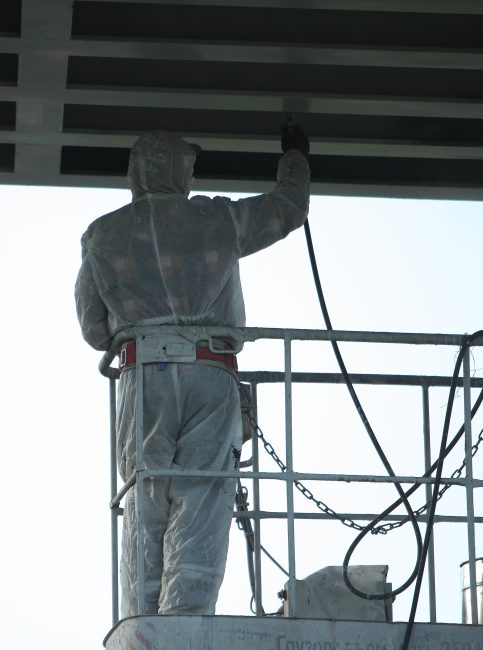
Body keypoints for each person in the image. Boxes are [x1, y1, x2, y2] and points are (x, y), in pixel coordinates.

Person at [75, 126, 310, 617]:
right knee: (202, 497)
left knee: (146, 498)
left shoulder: (102, 234)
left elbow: (95, 330)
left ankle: (142, 621)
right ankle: (185, 620)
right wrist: (294, 156)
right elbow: (288, 208)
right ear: (182, 172)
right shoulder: (217, 217)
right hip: (211, 371)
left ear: (135, 173)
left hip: (143, 378)